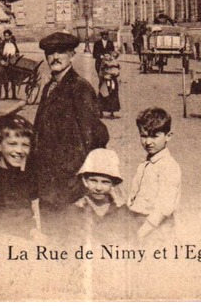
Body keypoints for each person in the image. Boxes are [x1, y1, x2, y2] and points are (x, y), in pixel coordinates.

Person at [26, 31, 108, 229]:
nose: (55, 57)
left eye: (61, 52)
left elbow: (94, 137)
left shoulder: (80, 88)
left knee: (68, 240)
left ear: (72, 54)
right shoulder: (50, 87)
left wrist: (79, 178)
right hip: (47, 182)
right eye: (50, 53)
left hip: (68, 185)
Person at [127, 107, 181, 240]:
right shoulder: (146, 164)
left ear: (168, 136)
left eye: (154, 136)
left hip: (155, 229)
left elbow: (164, 208)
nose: (148, 142)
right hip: (137, 222)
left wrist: (141, 233)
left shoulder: (169, 166)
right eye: (144, 136)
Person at [66, 148, 130, 244]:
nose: (98, 188)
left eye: (105, 182)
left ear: (113, 184)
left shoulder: (121, 210)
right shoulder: (75, 210)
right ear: (85, 181)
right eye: (93, 181)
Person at [98, 49, 121, 119]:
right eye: (105, 56)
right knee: (103, 95)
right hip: (104, 81)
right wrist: (104, 76)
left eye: (107, 55)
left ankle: (112, 112)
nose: (106, 57)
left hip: (112, 80)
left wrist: (115, 74)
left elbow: (117, 71)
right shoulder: (103, 63)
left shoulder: (115, 62)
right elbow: (100, 72)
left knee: (113, 95)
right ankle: (101, 112)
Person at [2, 29, 20, 100]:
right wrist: (4, 56)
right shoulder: (3, 43)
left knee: (13, 79)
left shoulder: (13, 42)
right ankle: (6, 94)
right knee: (5, 80)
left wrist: (15, 55)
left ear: (10, 36)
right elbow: (1, 51)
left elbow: (17, 51)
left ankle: (14, 95)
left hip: (12, 63)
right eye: (5, 35)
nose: (6, 37)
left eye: (7, 35)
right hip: (5, 63)